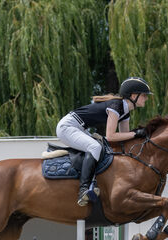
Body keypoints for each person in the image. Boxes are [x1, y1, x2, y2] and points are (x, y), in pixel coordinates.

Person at [56, 77, 152, 206]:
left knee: (103, 147)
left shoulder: (126, 111)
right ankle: (84, 189)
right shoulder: (116, 106)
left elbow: (124, 139)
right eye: (144, 95)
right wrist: (135, 133)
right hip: (67, 127)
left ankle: (95, 182)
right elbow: (111, 136)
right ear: (134, 95)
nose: (146, 98)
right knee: (95, 147)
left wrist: (140, 136)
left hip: (79, 128)